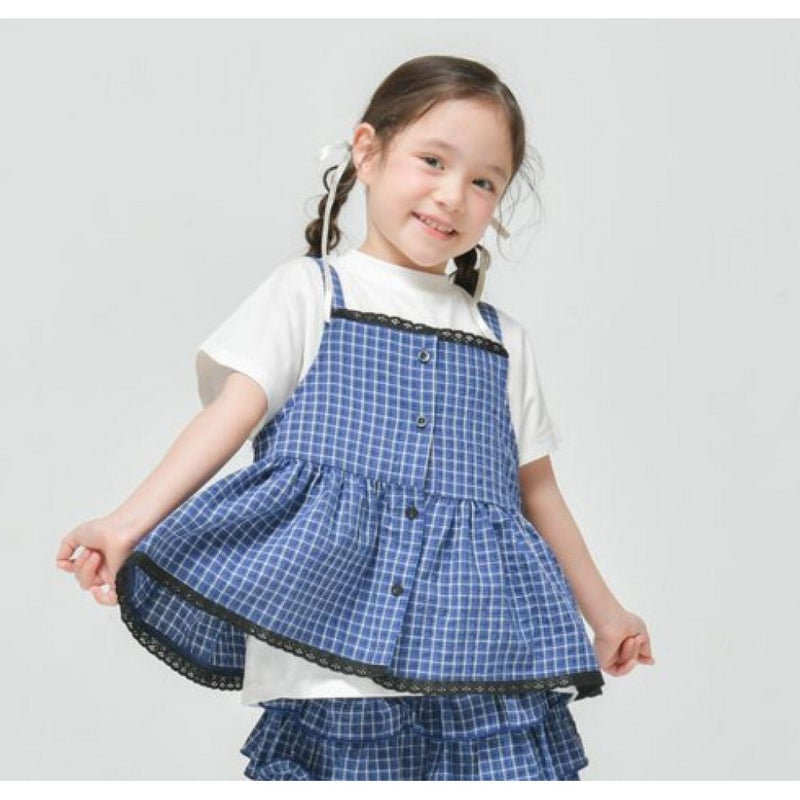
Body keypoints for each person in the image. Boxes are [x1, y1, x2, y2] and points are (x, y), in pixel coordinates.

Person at [55, 54, 655, 781]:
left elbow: (538, 491)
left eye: (483, 182)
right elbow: (229, 418)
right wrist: (125, 524)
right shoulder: (310, 293)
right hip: (331, 666)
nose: (452, 195)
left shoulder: (502, 341)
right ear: (368, 152)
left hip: (478, 656)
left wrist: (607, 614)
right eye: (432, 161)